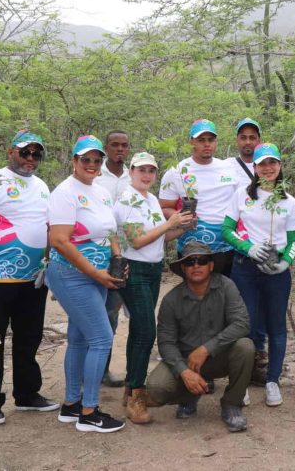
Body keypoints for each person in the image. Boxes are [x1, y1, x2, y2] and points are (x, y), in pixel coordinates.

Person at [0, 129, 59, 426]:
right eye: (25, 152)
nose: (31, 159)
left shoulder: (43, 186)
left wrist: (46, 263)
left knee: (29, 339)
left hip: (33, 279)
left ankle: (27, 394)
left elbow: (46, 227)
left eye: (36, 153)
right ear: (11, 152)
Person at [46, 135, 126, 433]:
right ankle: (90, 412)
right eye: (85, 159)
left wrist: (117, 259)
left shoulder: (101, 192)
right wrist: (95, 273)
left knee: (80, 339)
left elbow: (111, 230)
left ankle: (71, 405)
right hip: (72, 275)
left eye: (96, 159)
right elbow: (59, 241)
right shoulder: (65, 193)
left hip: (99, 274)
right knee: (102, 338)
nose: (92, 164)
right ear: (74, 161)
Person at [113, 152, 193, 423]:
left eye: (151, 171)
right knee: (146, 331)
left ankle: (130, 388)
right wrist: (169, 224)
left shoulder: (150, 200)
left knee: (139, 329)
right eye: (142, 170)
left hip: (152, 268)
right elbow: (136, 241)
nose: (147, 175)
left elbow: (158, 238)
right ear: (131, 171)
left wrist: (180, 228)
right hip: (133, 269)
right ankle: (137, 395)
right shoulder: (127, 199)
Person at [146, 241, 254, 432]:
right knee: (156, 387)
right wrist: (184, 372)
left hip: (220, 356)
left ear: (211, 265)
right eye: (190, 262)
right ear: (183, 268)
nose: (196, 266)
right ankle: (188, 397)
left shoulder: (226, 286)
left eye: (202, 261)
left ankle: (232, 405)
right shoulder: (171, 300)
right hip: (187, 361)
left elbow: (242, 323)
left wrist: (206, 349)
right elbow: (166, 343)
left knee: (245, 347)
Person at [222, 143, 295, 406]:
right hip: (245, 267)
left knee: (276, 326)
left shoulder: (289, 201)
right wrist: (248, 247)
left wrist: (286, 262)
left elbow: (293, 239)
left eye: (272, 163)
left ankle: (272, 381)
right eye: (262, 164)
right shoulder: (242, 195)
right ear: (254, 168)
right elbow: (227, 230)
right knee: (246, 325)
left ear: (279, 166)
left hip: (276, 269)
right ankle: (241, 381)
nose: (268, 168)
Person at [159, 119, 238, 275]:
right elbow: (164, 207)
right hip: (192, 249)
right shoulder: (176, 171)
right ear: (191, 142)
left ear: (216, 142)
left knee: (225, 293)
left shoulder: (229, 168)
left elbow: (240, 204)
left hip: (227, 247)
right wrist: (180, 217)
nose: (207, 144)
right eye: (201, 140)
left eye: (211, 139)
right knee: (195, 296)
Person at [230, 118, 269, 386]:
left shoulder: (270, 166)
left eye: (252, 137)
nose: (247, 142)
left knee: (263, 311)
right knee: (240, 309)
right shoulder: (226, 167)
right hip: (237, 248)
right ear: (237, 141)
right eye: (243, 137)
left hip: (267, 250)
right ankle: (235, 361)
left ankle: (259, 362)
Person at [93, 130, 131, 388]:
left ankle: (105, 371)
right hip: (97, 253)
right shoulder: (94, 175)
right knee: (96, 314)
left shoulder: (135, 175)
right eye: (115, 145)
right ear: (106, 147)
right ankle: (93, 371)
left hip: (129, 253)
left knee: (114, 314)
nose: (119, 149)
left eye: (124, 145)